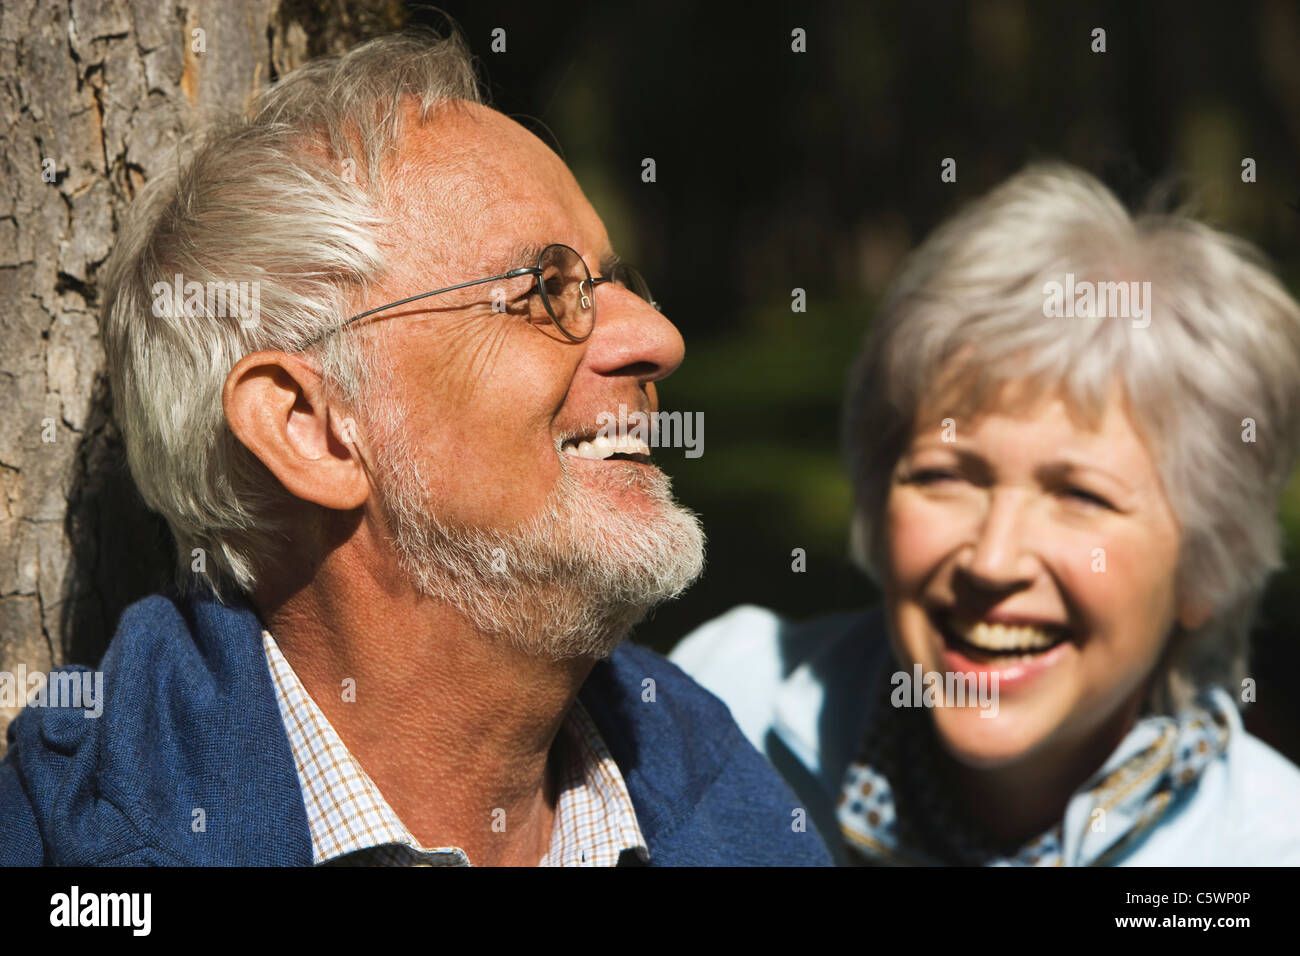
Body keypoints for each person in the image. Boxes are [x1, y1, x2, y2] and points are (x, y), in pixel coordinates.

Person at [0, 30, 830, 867]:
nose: (658, 337)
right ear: (313, 429)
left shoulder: (727, 800)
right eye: (548, 289)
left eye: (617, 283)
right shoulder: (79, 857)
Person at [672, 162, 1300, 865]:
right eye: (945, 477)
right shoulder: (719, 708)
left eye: (1080, 496)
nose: (992, 561)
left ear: (1207, 567)